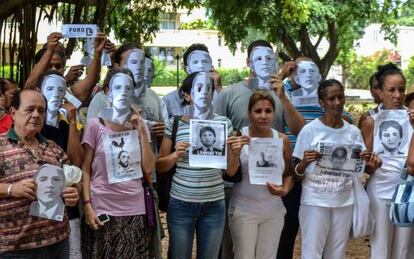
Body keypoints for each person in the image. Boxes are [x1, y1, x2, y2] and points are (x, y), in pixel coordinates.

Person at [214, 40, 304, 259]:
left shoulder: (281, 94)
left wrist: (282, 96)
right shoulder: (230, 93)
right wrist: (232, 150)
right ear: (248, 62)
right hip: (237, 189)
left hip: (271, 196)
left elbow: (299, 130)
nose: (263, 116)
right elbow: (216, 132)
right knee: (234, 251)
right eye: (259, 58)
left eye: (269, 57)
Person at [293, 79, 380, 259]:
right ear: (321, 102)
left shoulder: (353, 132)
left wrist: (368, 162)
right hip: (315, 200)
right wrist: (304, 163)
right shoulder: (310, 130)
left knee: (337, 253)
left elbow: (360, 169)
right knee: (312, 253)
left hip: (344, 201)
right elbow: (296, 174)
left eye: (340, 97)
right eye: (332, 98)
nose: (337, 102)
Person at [156, 71, 239, 259]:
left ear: (214, 93)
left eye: (209, 89)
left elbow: (231, 171)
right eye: (199, 88)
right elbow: (159, 165)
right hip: (180, 203)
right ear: (188, 94)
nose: (204, 93)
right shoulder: (174, 123)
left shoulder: (223, 123)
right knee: (179, 255)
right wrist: (176, 154)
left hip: (214, 203)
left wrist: (234, 150)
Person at [81, 68, 155, 258]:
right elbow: (86, 168)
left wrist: (141, 131)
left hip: (134, 206)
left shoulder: (140, 124)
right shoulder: (95, 125)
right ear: (108, 92)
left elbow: (148, 168)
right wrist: (88, 204)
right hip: (102, 205)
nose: (123, 92)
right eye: (117, 87)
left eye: (128, 88)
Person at [0, 89, 79, 258]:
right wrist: (11, 189)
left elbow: (72, 182)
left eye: (41, 111)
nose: (36, 115)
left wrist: (73, 192)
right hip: (15, 248)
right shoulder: (1, 146)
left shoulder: (53, 147)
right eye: (30, 109)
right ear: (13, 113)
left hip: (58, 242)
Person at [227, 91, 293, 259]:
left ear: (274, 113)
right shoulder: (238, 136)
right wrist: (235, 152)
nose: (263, 116)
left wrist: (284, 190)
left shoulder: (282, 139)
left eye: (268, 111)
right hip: (243, 209)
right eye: (258, 111)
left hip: (273, 211)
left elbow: (288, 173)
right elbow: (230, 172)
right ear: (249, 113)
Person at [360, 64, 414, 259]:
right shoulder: (370, 120)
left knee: (404, 249)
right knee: (380, 247)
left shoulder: (411, 117)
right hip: (380, 191)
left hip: (407, 190)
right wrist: (370, 166)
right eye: (391, 90)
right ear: (380, 92)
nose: (397, 95)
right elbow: (362, 163)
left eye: (401, 89)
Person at [25, 32, 109, 104]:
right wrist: (49, 50)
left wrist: (97, 53)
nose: (53, 70)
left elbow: (91, 80)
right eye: (49, 66)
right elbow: (29, 86)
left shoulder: (70, 94)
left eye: (58, 66)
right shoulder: (34, 94)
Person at [163, 43, 222, 118]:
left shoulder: (219, 96)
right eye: (195, 62)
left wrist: (219, 88)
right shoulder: (169, 100)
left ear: (211, 67)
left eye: (205, 62)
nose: (201, 66)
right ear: (186, 69)